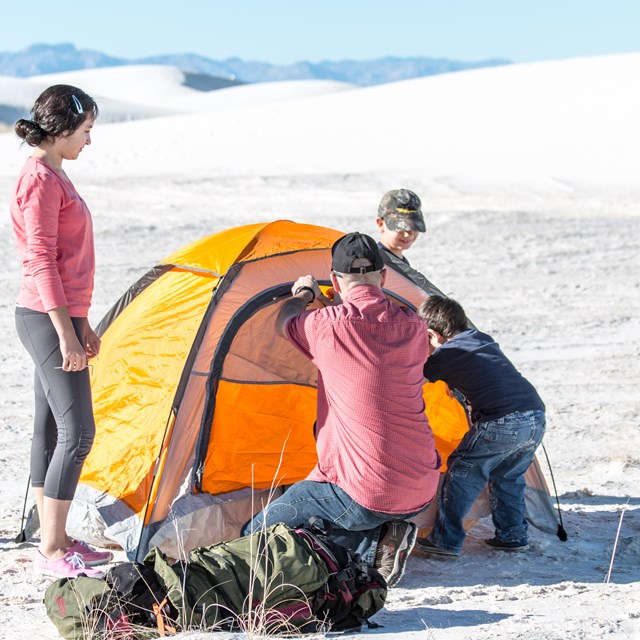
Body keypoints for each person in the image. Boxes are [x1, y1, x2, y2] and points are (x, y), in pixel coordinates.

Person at [242, 232, 441, 587]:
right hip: (423, 486)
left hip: (364, 492)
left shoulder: (327, 325)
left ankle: (268, 583)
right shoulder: (414, 326)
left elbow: (285, 321)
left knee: (256, 531)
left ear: (334, 279)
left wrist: (304, 295)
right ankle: (380, 540)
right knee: (345, 516)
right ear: (383, 277)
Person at [11, 85, 112, 578]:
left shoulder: (54, 173)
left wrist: (82, 321)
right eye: (86, 131)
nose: (89, 142)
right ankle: (52, 548)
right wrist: (65, 333)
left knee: (51, 426)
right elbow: (41, 261)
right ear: (63, 129)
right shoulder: (40, 180)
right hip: (45, 317)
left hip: (60, 316)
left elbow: (68, 264)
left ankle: (51, 533)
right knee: (79, 431)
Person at [414, 295, 546, 557]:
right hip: (535, 415)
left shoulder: (447, 354)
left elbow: (412, 382)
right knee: (507, 475)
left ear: (432, 334)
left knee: (462, 471)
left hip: (502, 420)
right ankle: (513, 536)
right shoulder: (481, 338)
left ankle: (445, 541)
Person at [376, 188, 426, 266]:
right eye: (400, 227)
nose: (407, 235)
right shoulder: (376, 265)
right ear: (381, 224)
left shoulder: (398, 262)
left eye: (413, 227)